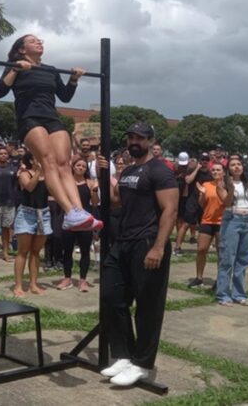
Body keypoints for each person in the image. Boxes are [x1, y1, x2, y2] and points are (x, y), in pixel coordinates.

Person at [0, 34, 102, 232]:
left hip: (51, 117)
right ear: (22, 49)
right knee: (49, 161)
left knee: (64, 163)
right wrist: (16, 70)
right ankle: (69, 212)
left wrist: (73, 79)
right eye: (33, 41)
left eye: (40, 41)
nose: (39, 43)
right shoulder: (14, 65)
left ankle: (79, 212)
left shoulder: (51, 70)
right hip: (29, 118)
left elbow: (65, 97)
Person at [99, 122, 177, 387]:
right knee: (111, 296)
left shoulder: (160, 170)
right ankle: (122, 354)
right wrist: (105, 175)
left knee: (147, 306)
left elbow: (170, 210)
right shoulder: (130, 169)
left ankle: (142, 363)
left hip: (147, 242)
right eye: (131, 136)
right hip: (124, 241)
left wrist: (158, 246)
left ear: (151, 141)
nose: (134, 141)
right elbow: (118, 200)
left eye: (140, 138)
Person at [215, 160, 248, 305]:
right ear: (228, 169)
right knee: (227, 258)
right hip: (232, 219)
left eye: (239, 164)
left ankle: (239, 294)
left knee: (243, 259)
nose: (237, 166)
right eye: (233, 165)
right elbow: (226, 202)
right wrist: (231, 188)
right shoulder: (222, 184)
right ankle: (223, 294)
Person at [55, 156, 99, 292]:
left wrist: (95, 191)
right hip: (69, 220)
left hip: (84, 221)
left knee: (85, 251)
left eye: (83, 166)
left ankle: (82, 280)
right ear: (73, 167)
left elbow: (95, 202)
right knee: (67, 250)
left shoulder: (90, 183)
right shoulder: (66, 182)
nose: (80, 168)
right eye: (78, 165)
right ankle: (67, 278)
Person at [12, 153, 50, 297]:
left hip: (44, 213)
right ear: (30, 160)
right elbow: (29, 187)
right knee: (23, 251)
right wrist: (39, 172)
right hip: (26, 213)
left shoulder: (47, 175)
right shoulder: (24, 173)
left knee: (36, 251)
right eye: (37, 157)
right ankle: (18, 285)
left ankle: (34, 283)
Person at [190, 163, 226, 289]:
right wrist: (202, 194)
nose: (216, 172)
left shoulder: (227, 186)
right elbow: (201, 204)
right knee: (201, 250)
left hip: (222, 223)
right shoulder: (206, 185)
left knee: (220, 252)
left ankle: (220, 279)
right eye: (214, 170)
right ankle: (199, 278)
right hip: (207, 221)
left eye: (218, 170)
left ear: (223, 172)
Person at [172, 152, 198, 255]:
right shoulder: (175, 167)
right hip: (178, 195)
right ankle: (179, 238)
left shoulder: (191, 167)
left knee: (188, 220)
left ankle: (191, 236)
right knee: (179, 218)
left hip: (189, 196)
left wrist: (194, 164)